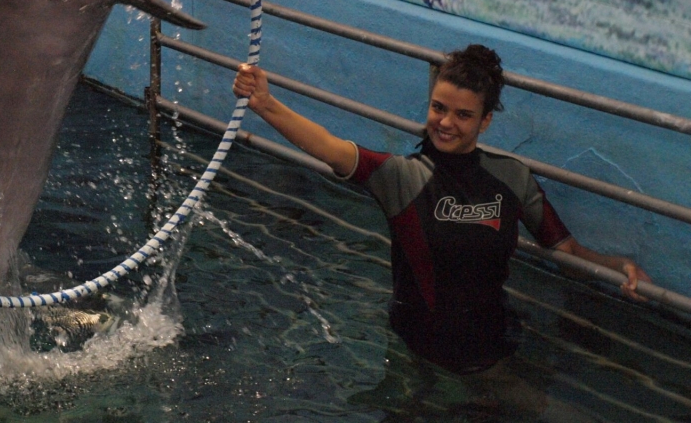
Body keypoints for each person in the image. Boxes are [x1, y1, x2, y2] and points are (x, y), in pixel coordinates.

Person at [232, 44, 651, 375]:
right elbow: (329, 147)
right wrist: (265, 104)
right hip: (418, 348)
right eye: (439, 108)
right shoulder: (402, 177)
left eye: (463, 115)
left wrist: (618, 267)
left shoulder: (513, 178)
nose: (446, 122)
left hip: (494, 346)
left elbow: (567, 253)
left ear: (485, 121)